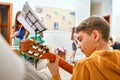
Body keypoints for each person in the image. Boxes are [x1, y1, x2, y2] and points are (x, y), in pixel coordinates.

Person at [47, 15, 120, 80]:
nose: (78, 45)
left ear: (95, 36)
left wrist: (55, 75)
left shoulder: (84, 65)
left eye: (80, 39)